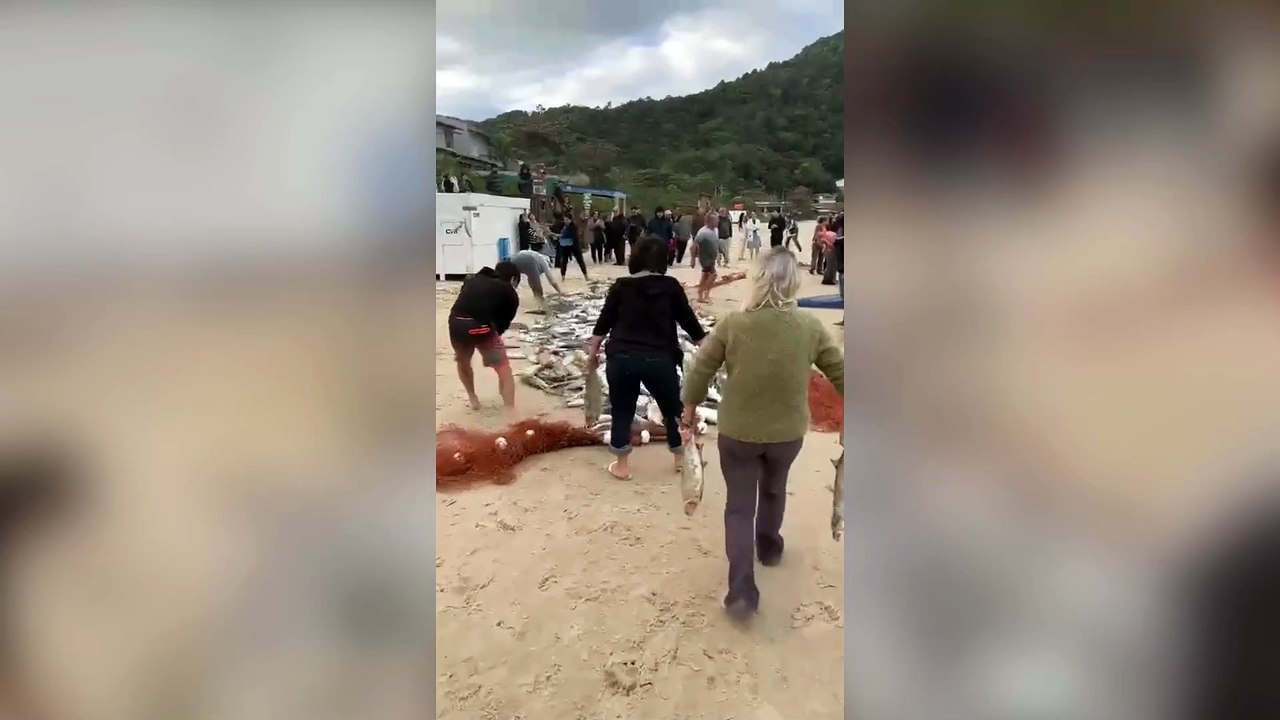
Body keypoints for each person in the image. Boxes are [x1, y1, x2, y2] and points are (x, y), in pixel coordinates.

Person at [681, 248, 844, 620]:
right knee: (773, 489)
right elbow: (840, 372)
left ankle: (741, 591)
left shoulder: (734, 323)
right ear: (793, 282)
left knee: (739, 507)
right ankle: (769, 547)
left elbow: (702, 368)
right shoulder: (809, 326)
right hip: (787, 433)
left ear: (757, 279)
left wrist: (689, 409)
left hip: (738, 432)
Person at [586, 235, 707, 480]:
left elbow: (603, 322)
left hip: (622, 358)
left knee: (622, 410)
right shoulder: (671, 287)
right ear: (663, 259)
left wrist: (593, 353)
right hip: (660, 360)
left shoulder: (621, 286)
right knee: (672, 409)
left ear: (635, 258)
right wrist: (707, 350)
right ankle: (680, 460)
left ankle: (622, 466)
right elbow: (690, 323)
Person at [447, 261, 522, 416]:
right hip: (481, 328)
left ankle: (473, 398)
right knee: (503, 368)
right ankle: (510, 409)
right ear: (514, 279)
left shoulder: (473, 279)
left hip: (456, 324)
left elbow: (465, 301)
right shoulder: (509, 291)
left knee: (463, 362)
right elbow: (503, 323)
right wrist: (491, 347)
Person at [693, 212, 720, 303]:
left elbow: (716, 243)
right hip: (705, 258)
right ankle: (705, 293)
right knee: (713, 275)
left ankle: (701, 295)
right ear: (710, 221)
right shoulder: (703, 232)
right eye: (716, 220)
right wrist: (693, 259)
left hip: (712, 257)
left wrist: (718, 254)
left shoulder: (716, 230)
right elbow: (694, 245)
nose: (717, 221)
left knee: (705, 276)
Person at [556, 212, 589, 280]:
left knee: (580, 260)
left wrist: (561, 236)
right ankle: (563, 277)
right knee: (564, 261)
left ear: (570, 220)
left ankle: (586, 276)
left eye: (567, 220)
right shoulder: (563, 226)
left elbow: (574, 236)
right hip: (564, 245)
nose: (566, 221)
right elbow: (561, 234)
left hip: (574, 245)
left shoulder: (573, 226)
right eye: (565, 219)